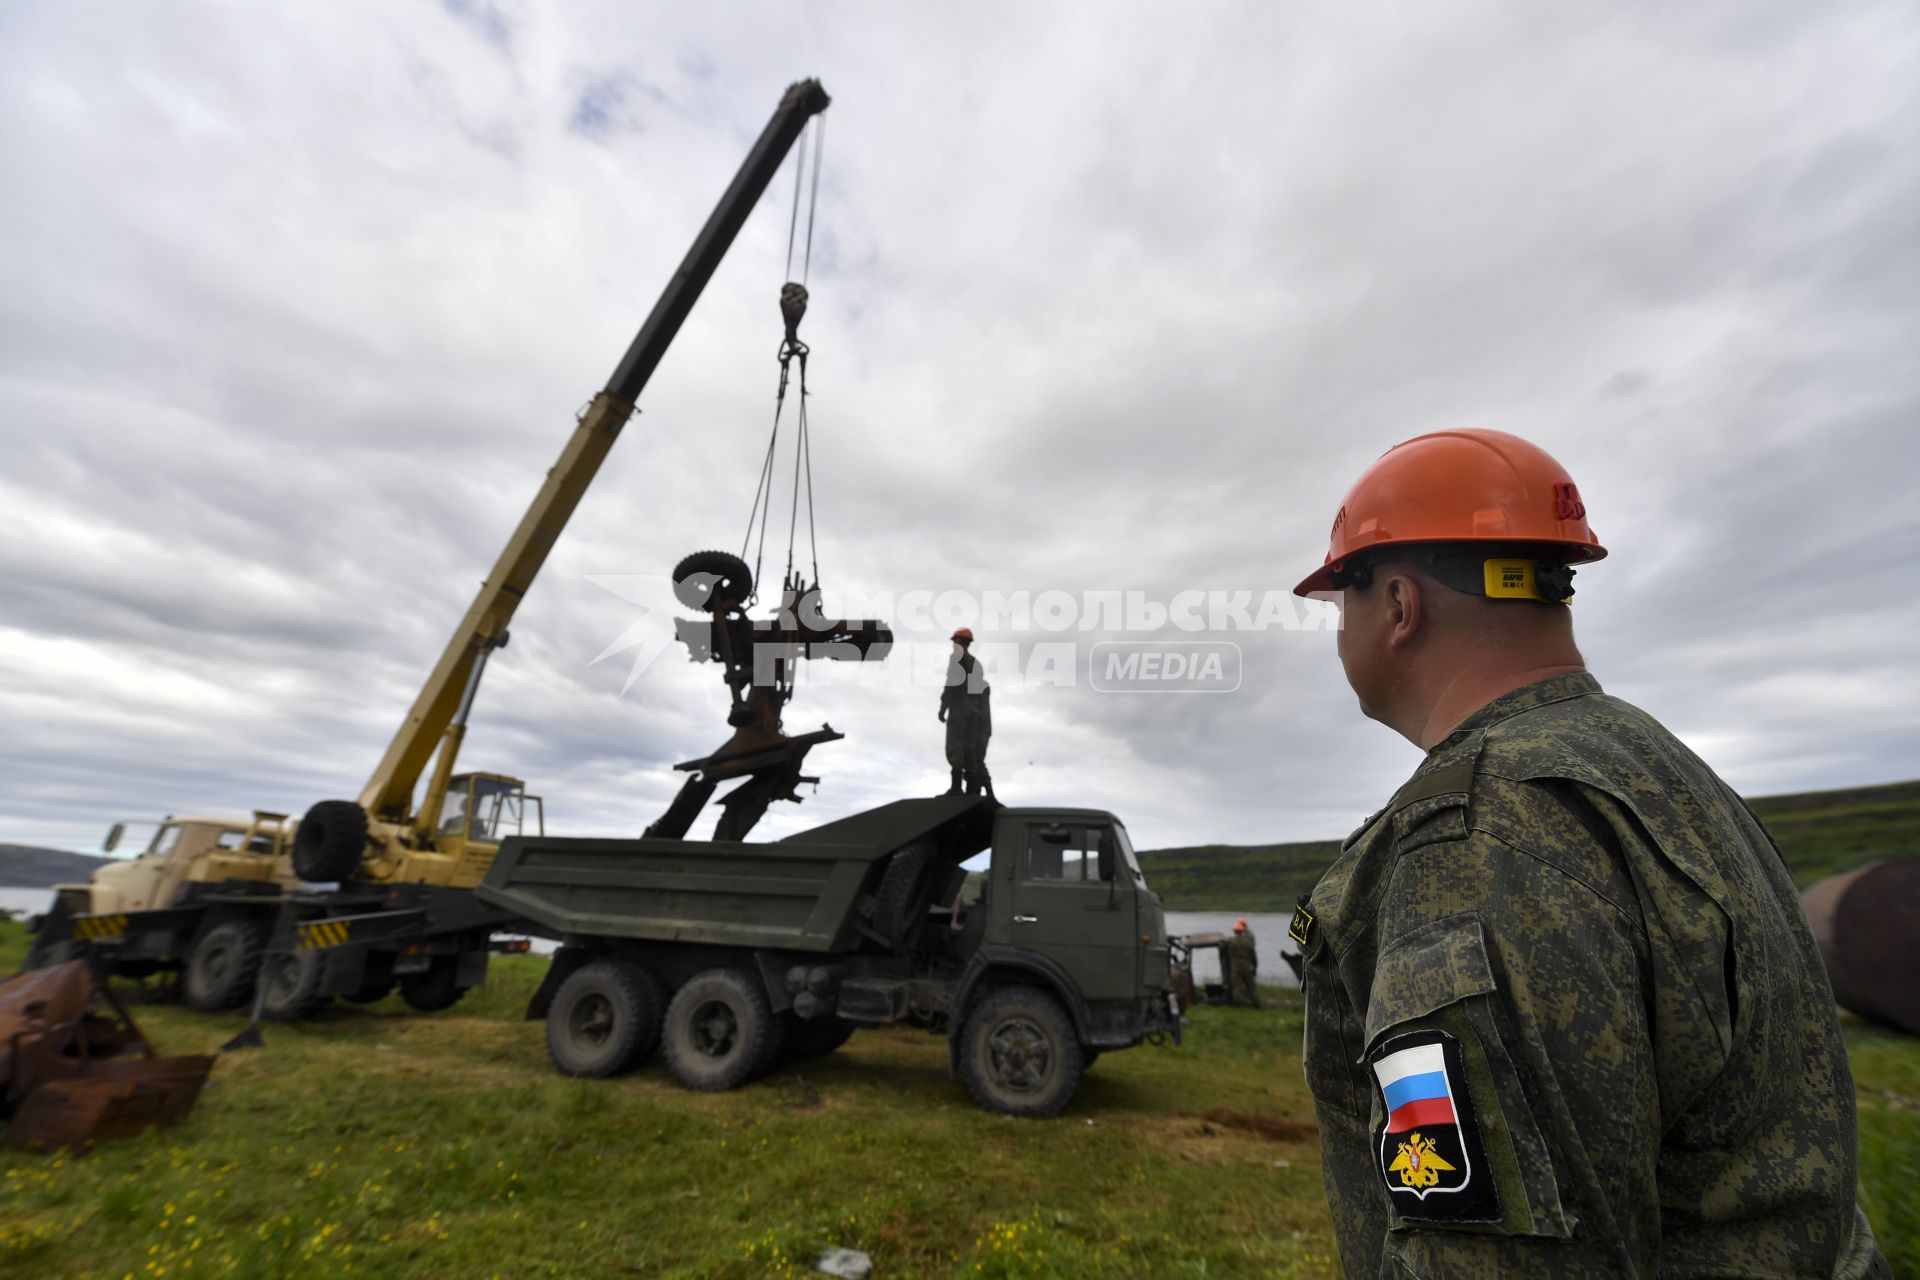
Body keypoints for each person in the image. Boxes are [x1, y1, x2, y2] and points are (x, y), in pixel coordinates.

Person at [1290, 428, 1887, 1277]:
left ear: (1396, 605)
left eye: (1338, 598)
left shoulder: (1479, 839)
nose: (1337, 625)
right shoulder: (1661, 769)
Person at [939, 627, 993, 798]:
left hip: (960, 707)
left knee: (955, 747)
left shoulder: (956, 658)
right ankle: (971, 788)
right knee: (969, 748)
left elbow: (951, 683)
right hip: (974, 711)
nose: (953, 644)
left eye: (955, 641)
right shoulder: (976, 664)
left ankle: (956, 787)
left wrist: (943, 707)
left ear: (960, 642)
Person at [1225, 918, 1260, 1007]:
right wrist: (1254, 967)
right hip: (1247, 966)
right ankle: (1257, 1005)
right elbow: (1253, 956)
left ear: (1235, 931)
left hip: (1235, 967)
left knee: (1236, 987)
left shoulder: (1230, 941)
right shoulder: (1248, 942)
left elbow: (1223, 946)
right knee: (1251, 987)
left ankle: (1237, 1005)